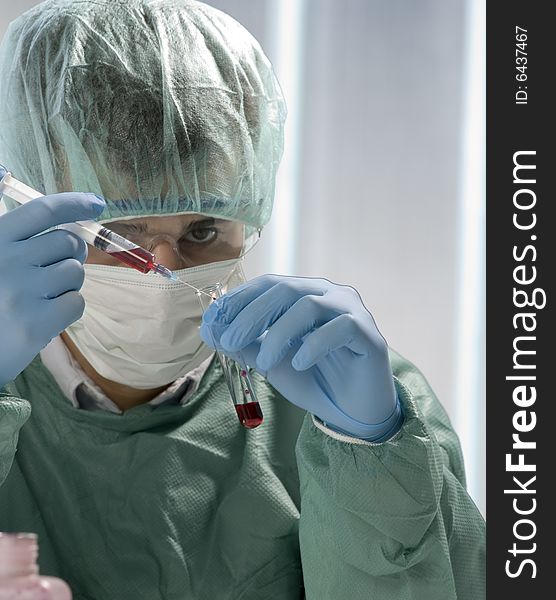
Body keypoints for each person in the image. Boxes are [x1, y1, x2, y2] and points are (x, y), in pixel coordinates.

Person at [0, 0, 485, 598]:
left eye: (202, 231)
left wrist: (370, 456)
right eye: (119, 236)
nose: (163, 272)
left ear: (249, 213)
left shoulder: (349, 399)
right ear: (27, 205)